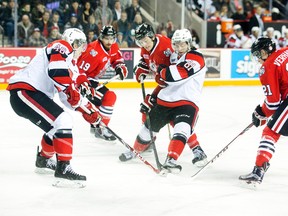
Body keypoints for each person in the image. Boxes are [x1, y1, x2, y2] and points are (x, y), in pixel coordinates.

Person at [6, 28, 101, 186]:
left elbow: (67, 99)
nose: (82, 49)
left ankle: (43, 160)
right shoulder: (62, 46)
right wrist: (72, 89)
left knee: (57, 127)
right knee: (63, 121)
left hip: (31, 94)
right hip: (26, 91)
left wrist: (88, 110)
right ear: (72, 43)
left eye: (84, 45)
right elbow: (56, 71)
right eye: (80, 44)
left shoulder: (70, 64)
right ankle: (63, 169)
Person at [119, 23, 207, 167]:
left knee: (181, 127)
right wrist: (144, 69)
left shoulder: (194, 56)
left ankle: (180, 156)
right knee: (149, 124)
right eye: (176, 45)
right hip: (167, 97)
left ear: (189, 43)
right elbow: (161, 75)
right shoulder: (173, 57)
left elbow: (173, 75)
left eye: (181, 45)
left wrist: (160, 73)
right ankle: (138, 149)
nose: (178, 48)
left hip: (186, 101)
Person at [239, 37, 288, 185]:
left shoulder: (268, 67)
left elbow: (273, 104)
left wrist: (260, 113)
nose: (258, 59)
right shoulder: (285, 50)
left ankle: (258, 170)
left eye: (257, 55)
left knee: (270, 132)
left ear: (264, 52)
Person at [76, 25, 128, 141]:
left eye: (112, 38)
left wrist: (120, 67)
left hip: (94, 80)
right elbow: (79, 71)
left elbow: (117, 59)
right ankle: (101, 129)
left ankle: (96, 126)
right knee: (109, 97)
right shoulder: (92, 51)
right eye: (106, 38)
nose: (109, 42)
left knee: (103, 101)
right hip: (83, 81)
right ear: (101, 37)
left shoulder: (113, 46)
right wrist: (84, 86)